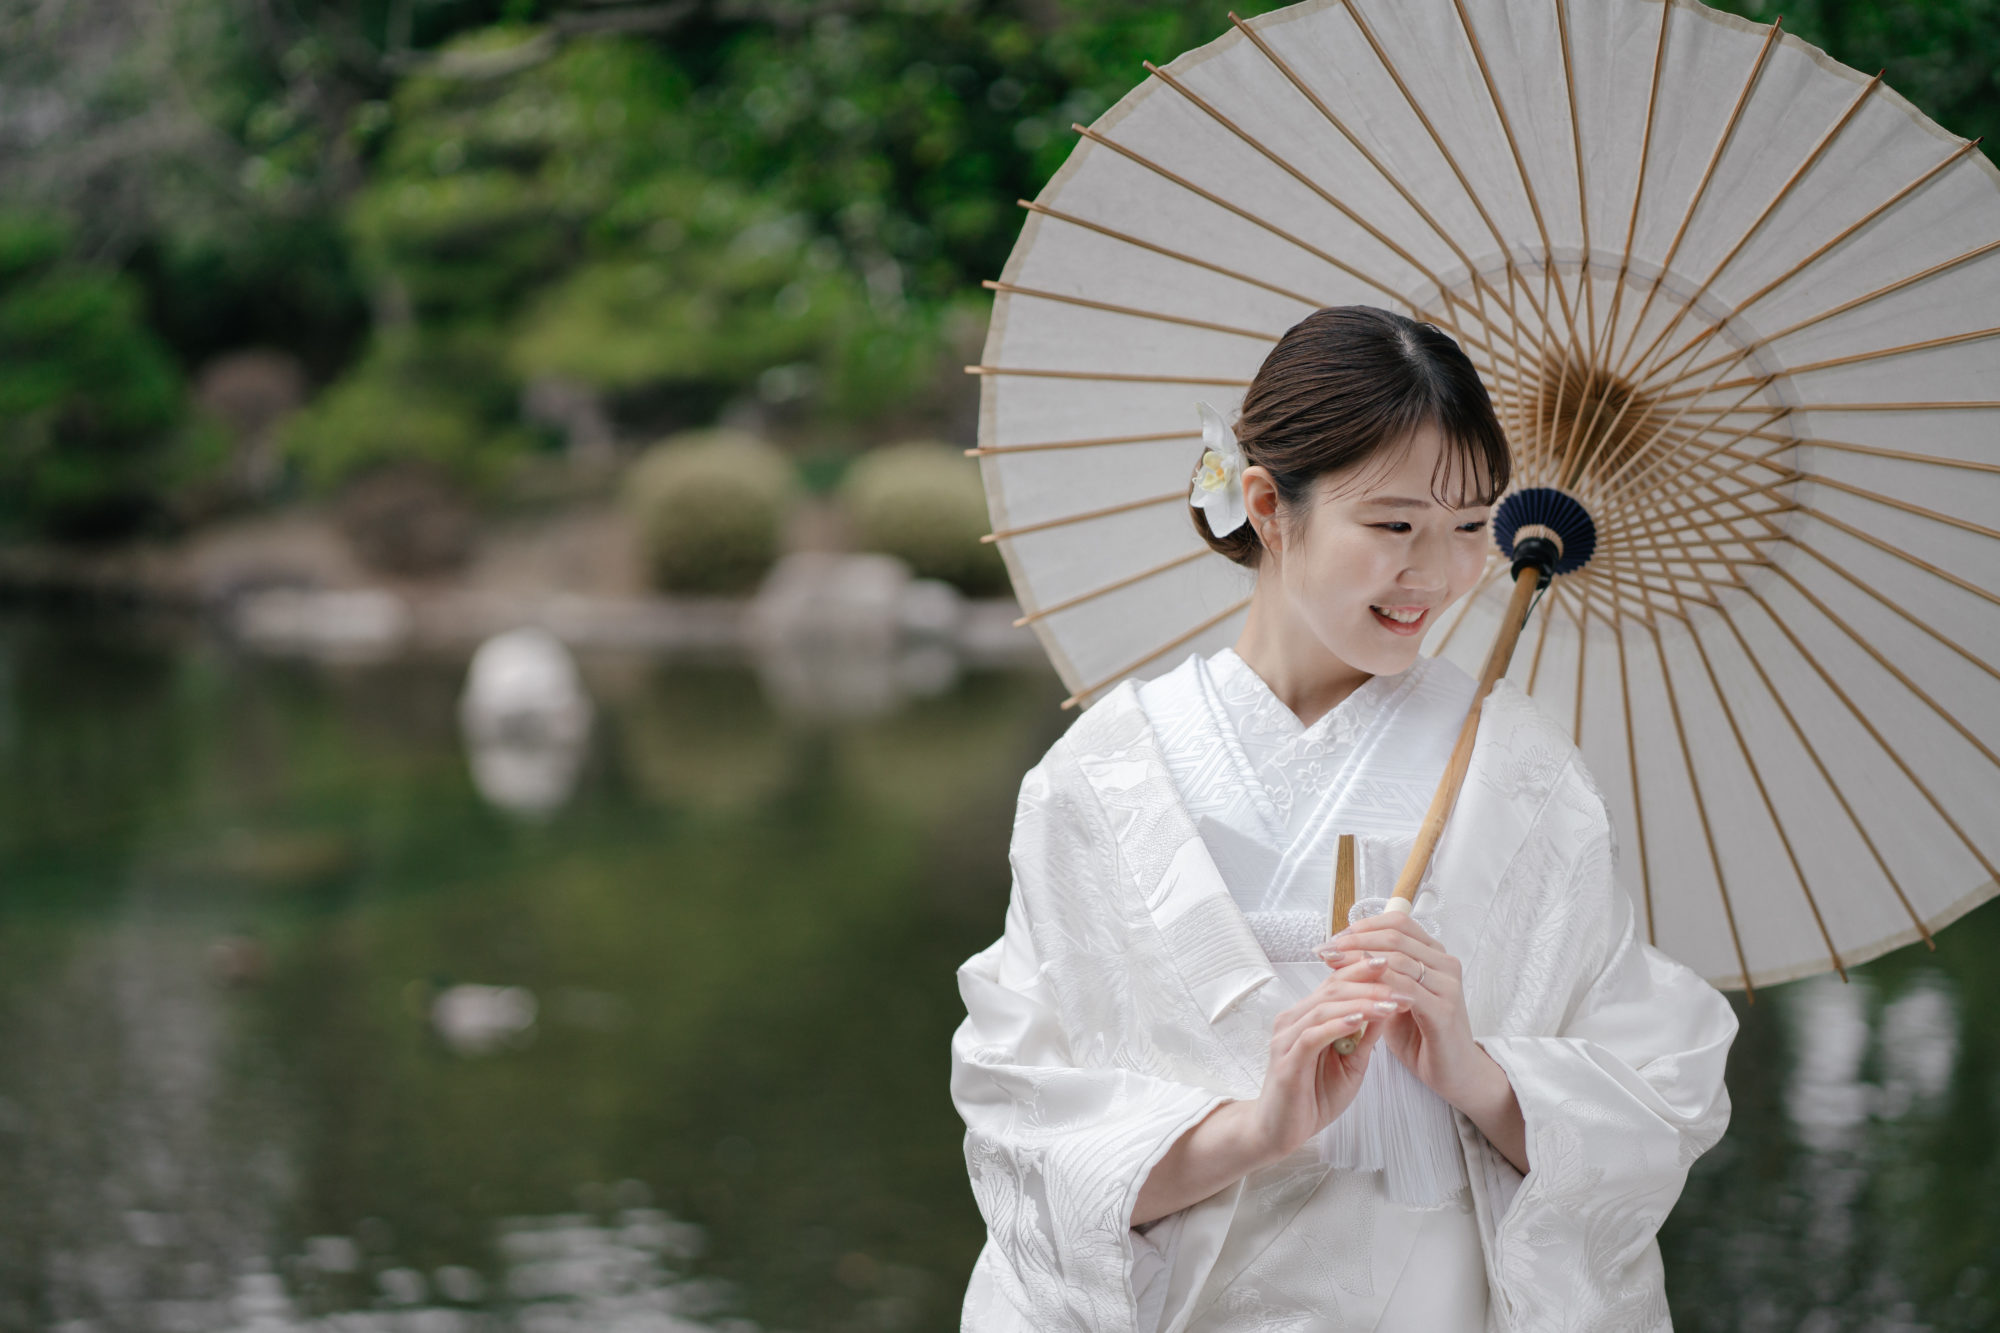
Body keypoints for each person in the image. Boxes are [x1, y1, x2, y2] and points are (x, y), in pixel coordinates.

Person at [950, 306, 1737, 1332]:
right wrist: (1258, 1126)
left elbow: (1655, 1094)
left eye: (1470, 527)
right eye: (1393, 525)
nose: (1437, 574)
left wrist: (1478, 1071)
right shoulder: (1102, 776)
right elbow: (1023, 1122)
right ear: (1268, 507)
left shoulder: (1517, 771)